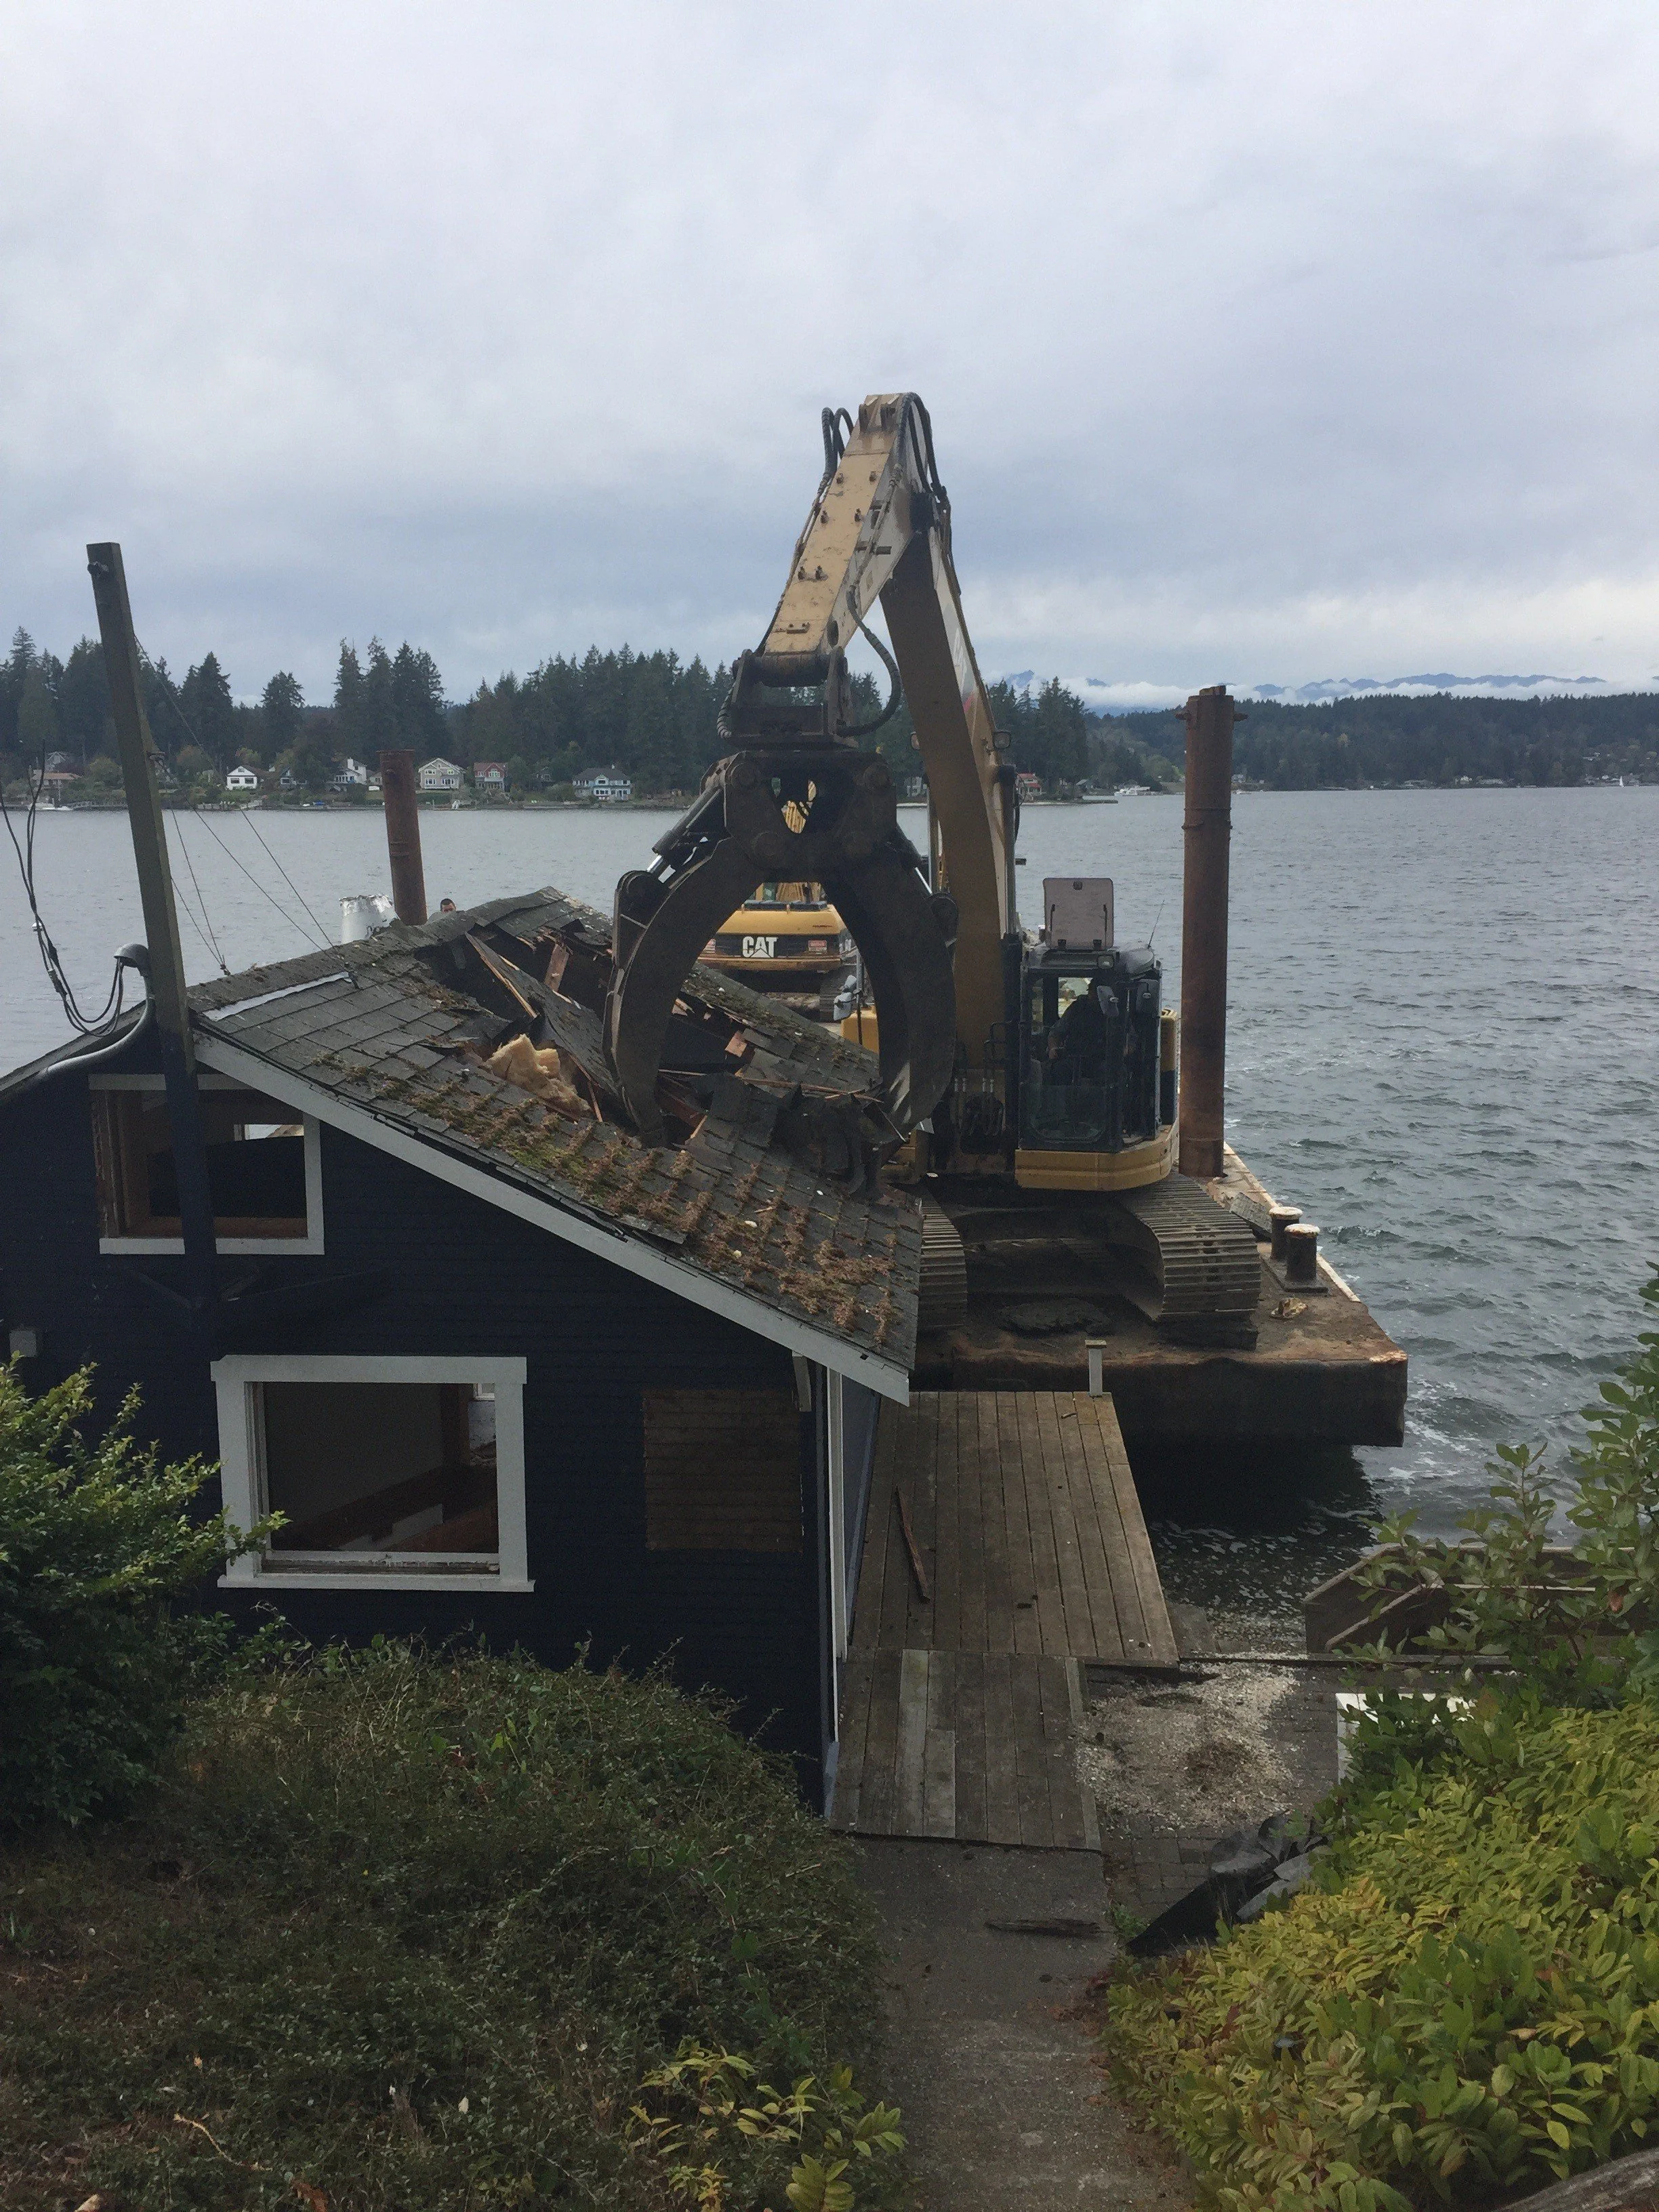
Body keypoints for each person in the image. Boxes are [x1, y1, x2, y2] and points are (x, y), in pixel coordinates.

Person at [1046, 984, 1109, 1083]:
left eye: (1098, 993)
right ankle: (1060, 1097)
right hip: (1073, 1058)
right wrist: (1053, 1048)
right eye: (1091, 992)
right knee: (1058, 1069)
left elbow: (1130, 1041)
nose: (1093, 996)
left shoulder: (1117, 1010)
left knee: (1115, 1072)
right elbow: (1056, 1033)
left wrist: (1120, 1052)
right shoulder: (1077, 1008)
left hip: (1103, 1060)